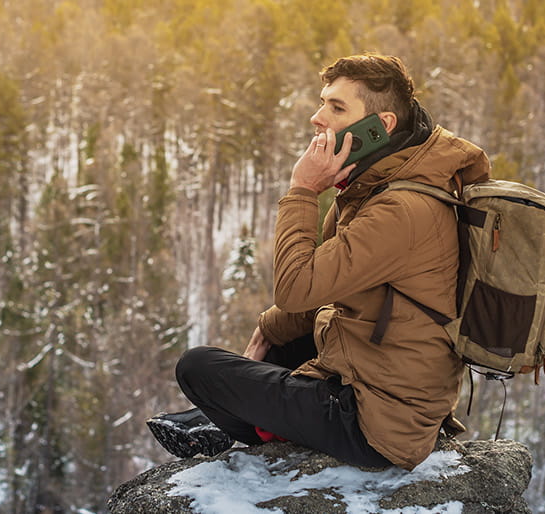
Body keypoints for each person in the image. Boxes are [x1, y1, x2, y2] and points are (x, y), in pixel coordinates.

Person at [147, 53, 490, 470]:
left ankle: (249, 426)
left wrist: (304, 189)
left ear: (380, 127)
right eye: (322, 102)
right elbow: (320, 291)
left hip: (377, 426)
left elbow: (295, 287)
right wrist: (266, 330)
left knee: (197, 367)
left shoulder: (401, 209)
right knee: (283, 335)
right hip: (372, 374)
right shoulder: (376, 184)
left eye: (336, 107)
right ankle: (238, 416)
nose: (317, 117)